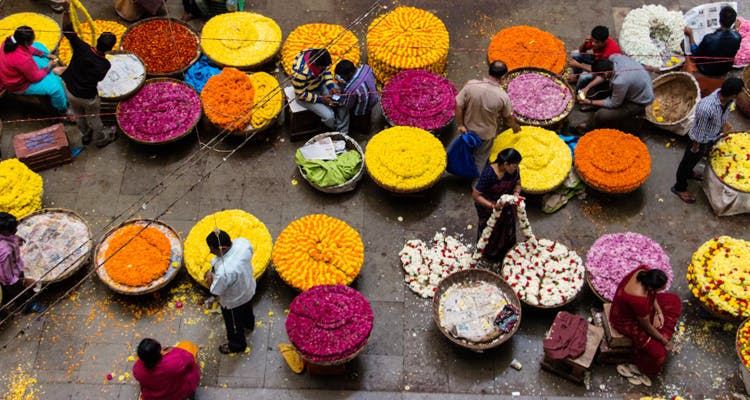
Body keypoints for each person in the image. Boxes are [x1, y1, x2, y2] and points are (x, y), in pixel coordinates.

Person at [671, 77, 743, 203]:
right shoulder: (706, 107)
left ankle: (689, 173)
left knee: (695, 160)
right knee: (687, 162)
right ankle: (679, 187)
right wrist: (695, 147)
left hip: (711, 136)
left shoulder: (728, 101)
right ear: (733, 94)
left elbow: (723, 117)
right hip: (698, 141)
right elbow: (699, 131)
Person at [60, 1, 117, 147]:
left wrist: (66, 11)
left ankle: (85, 135)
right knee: (94, 118)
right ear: (110, 49)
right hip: (87, 97)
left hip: (70, 90)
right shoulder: (105, 64)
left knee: (78, 115)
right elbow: (100, 78)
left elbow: (67, 30)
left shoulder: (82, 48)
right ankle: (101, 139)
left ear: (97, 41)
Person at [609, 266, 681, 379]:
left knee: (674, 300)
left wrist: (658, 311)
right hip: (626, 321)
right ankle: (639, 365)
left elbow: (652, 295)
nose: (665, 288)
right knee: (660, 354)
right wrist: (664, 341)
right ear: (651, 287)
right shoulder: (639, 300)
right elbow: (646, 326)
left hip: (642, 310)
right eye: (662, 287)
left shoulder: (644, 272)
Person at [455, 60, 521, 174]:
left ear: (489, 71)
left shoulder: (471, 85)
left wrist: (460, 125)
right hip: (485, 134)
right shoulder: (502, 97)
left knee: (467, 150)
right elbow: (507, 118)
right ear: (503, 77)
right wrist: (515, 127)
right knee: (481, 158)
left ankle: (462, 170)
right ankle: (475, 181)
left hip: (467, 128)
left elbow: (458, 105)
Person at [204, 230, 256, 354]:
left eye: (212, 249)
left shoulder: (225, 271)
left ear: (222, 248)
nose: (210, 251)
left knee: (233, 324)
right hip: (248, 287)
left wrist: (210, 278)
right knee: (247, 309)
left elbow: (216, 290)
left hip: (233, 301)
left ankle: (237, 345)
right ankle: (249, 324)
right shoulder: (242, 243)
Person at [0, 26, 68, 114]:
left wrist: (44, 54)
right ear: (25, 42)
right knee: (56, 87)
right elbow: (35, 77)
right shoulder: (23, 60)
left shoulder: (10, 40)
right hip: (18, 84)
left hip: (13, 69)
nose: (32, 41)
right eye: (31, 40)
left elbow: (29, 48)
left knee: (39, 46)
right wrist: (49, 67)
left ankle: (50, 68)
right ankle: (62, 110)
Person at [578, 55, 654, 132]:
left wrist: (589, 102)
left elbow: (613, 103)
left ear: (606, 73)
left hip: (639, 101)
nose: (597, 76)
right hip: (635, 86)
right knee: (600, 87)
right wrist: (587, 87)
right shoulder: (614, 58)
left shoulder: (620, 81)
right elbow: (602, 77)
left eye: (599, 75)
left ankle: (590, 128)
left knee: (601, 114)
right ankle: (596, 104)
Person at [472, 148, 522, 262]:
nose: (516, 168)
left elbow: (518, 183)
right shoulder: (489, 174)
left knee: (507, 228)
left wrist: (516, 194)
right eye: (514, 165)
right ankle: (490, 255)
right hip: (489, 207)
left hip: (507, 205)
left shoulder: (513, 171)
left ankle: (506, 252)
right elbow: (476, 195)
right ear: (506, 164)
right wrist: (493, 206)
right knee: (491, 230)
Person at [290, 48, 349, 135]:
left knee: (342, 101)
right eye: (322, 67)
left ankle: (343, 132)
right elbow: (300, 94)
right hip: (306, 95)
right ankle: (335, 129)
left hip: (321, 84)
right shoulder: (299, 73)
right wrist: (321, 99)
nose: (325, 68)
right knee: (329, 116)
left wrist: (331, 86)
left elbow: (326, 71)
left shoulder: (319, 55)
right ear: (315, 64)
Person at [0, 212, 43, 315]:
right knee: (18, 292)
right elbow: (8, 278)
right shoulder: (6, 251)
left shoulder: (4, 236)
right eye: (12, 230)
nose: (16, 230)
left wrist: (15, 238)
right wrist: (23, 281)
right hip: (9, 278)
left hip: (11, 269)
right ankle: (28, 306)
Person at [132, 338, 201, 400]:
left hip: (153, 396)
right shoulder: (175, 361)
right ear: (160, 351)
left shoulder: (137, 368)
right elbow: (190, 359)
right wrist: (174, 350)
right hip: (178, 393)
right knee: (187, 345)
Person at [684, 6, 741, 78]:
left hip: (706, 69)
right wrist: (737, 29)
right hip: (725, 69)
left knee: (688, 56)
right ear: (733, 22)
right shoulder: (737, 37)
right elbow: (734, 39)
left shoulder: (709, 38)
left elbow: (696, 56)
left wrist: (690, 35)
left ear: (719, 20)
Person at [568, 25, 621, 90]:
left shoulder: (609, 53)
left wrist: (579, 65)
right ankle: (576, 76)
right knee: (575, 54)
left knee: (583, 76)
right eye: (592, 40)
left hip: (607, 72)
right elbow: (581, 51)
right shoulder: (595, 40)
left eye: (596, 42)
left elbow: (598, 70)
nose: (593, 44)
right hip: (597, 60)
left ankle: (578, 92)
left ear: (604, 41)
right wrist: (585, 43)